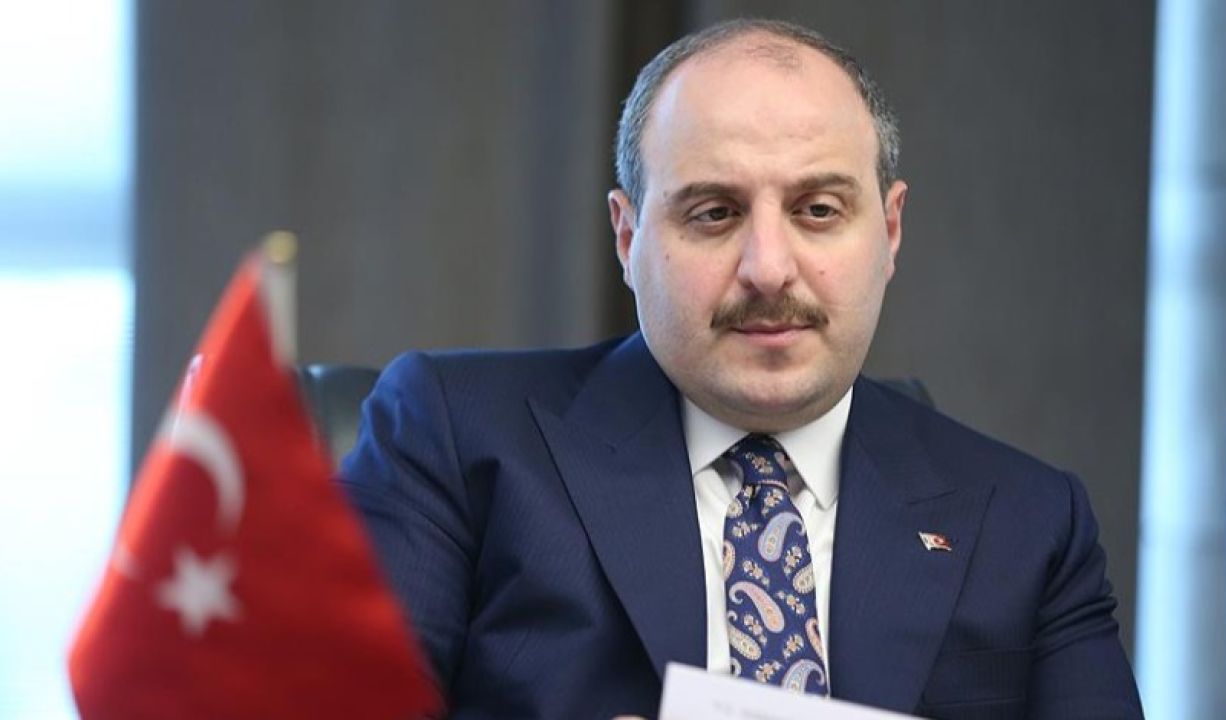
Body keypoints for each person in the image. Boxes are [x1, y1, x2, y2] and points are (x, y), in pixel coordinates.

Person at [341, 18, 1143, 719]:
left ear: (891, 230)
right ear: (628, 238)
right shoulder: (455, 438)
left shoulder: (1029, 522)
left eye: (818, 211)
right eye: (714, 213)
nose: (767, 268)